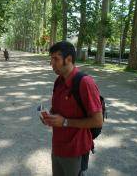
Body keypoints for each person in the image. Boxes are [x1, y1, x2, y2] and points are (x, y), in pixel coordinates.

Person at [40, 41, 103, 176]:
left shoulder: (85, 83)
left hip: (76, 151)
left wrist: (65, 122)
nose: (51, 63)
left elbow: (98, 121)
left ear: (68, 59)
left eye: (55, 59)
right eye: (51, 59)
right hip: (58, 147)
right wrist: (49, 117)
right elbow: (58, 111)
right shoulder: (59, 81)